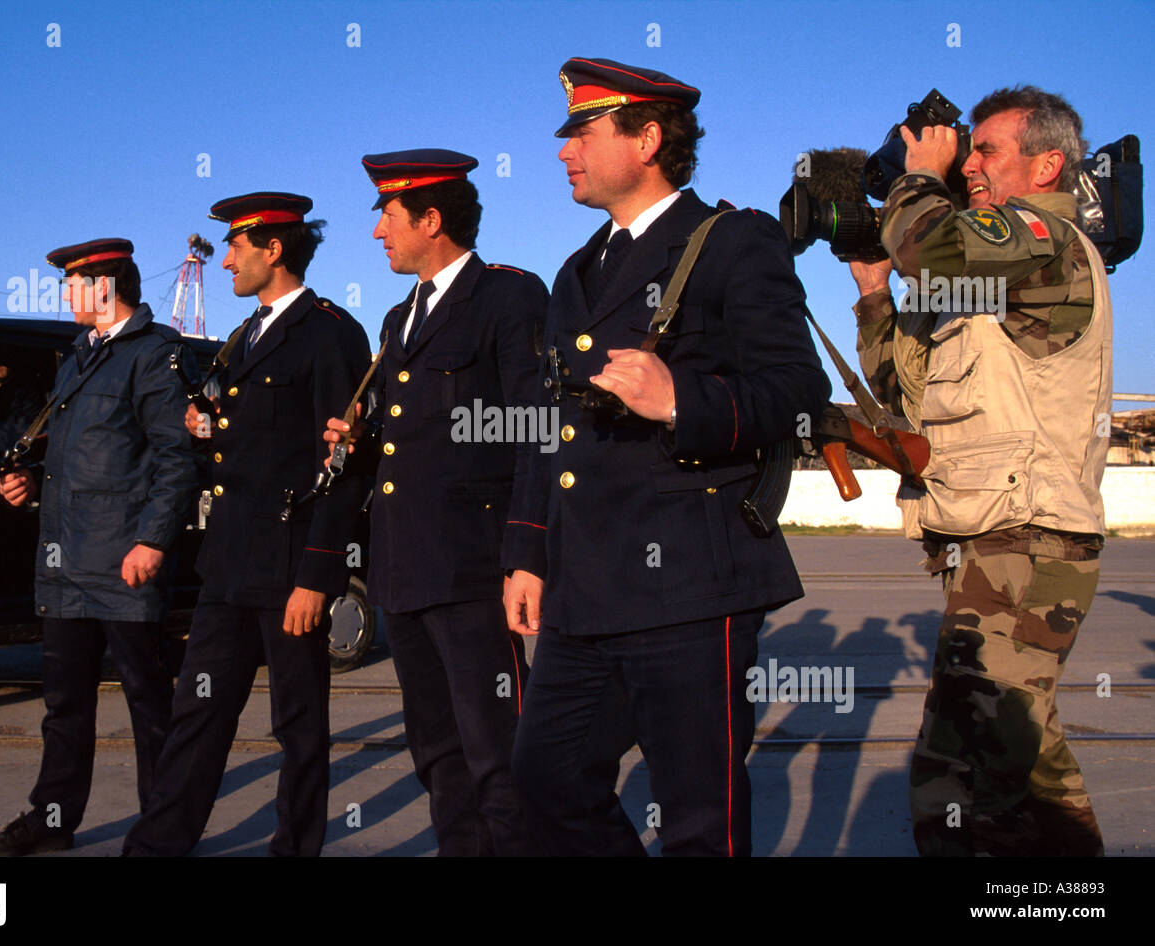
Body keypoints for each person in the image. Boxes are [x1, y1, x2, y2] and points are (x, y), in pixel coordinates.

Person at [503, 57, 831, 856]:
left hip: (689, 584)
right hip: (584, 588)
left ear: (647, 139)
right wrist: (527, 552)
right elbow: (551, 428)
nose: (564, 150)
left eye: (583, 131)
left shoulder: (732, 241)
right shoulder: (576, 271)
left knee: (698, 818)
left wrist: (681, 400)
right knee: (546, 780)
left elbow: (797, 390)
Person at [848, 86, 1111, 856]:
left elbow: (934, 248)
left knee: (972, 778)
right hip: (988, 549)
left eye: (984, 151)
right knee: (1013, 769)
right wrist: (874, 296)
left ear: (1048, 164)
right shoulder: (987, 283)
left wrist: (917, 173)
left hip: (1028, 545)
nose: (968, 167)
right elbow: (906, 394)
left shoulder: (1047, 238)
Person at [123, 193, 370, 856]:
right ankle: (155, 847)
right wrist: (204, 429)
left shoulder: (330, 333)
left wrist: (319, 574)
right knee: (195, 714)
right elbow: (245, 444)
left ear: (274, 249)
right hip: (229, 562)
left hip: (290, 567)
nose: (227, 259)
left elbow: (344, 466)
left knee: (298, 727)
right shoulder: (243, 337)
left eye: (237, 246)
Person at [324, 149, 547, 855]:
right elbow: (410, 440)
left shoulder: (507, 298)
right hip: (404, 570)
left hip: (473, 570)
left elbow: (537, 434)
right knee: (437, 756)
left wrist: (526, 554)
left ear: (430, 219)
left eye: (387, 216)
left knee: (499, 754)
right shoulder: (399, 319)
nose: (377, 232)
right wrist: (360, 440)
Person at [0, 238, 197, 856]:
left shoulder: (156, 355)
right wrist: (26, 481)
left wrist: (152, 540)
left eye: (71, 284)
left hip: (126, 565)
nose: (63, 295)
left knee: (149, 704)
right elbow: (77, 454)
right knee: (63, 706)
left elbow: (178, 459)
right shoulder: (77, 358)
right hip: (66, 562)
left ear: (104, 287)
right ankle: (51, 822)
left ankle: (162, 833)